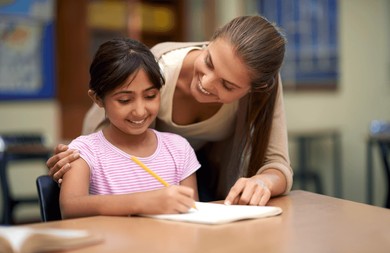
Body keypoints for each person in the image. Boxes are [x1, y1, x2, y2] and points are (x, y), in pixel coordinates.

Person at [47, 15, 293, 207]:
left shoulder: (264, 87)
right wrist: (80, 160)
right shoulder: (156, 68)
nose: (206, 83)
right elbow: (106, 149)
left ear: (256, 87)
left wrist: (264, 182)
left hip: (195, 181)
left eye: (227, 85)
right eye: (208, 62)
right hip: (138, 184)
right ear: (208, 41)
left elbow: (277, 164)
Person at [59, 37, 200, 219]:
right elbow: (70, 207)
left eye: (150, 96)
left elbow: (193, 213)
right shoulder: (84, 151)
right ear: (98, 99)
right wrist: (144, 202)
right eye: (124, 100)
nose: (140, 111)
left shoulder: (179, 148)